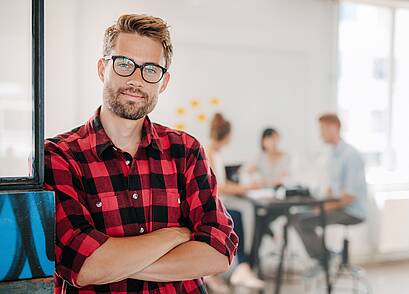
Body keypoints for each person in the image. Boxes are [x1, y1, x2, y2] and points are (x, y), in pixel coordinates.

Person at [44, 14, 238, 294]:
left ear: (164, 81)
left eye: (150, 69)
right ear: (102, 69)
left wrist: (113, 262)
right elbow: (83, 265)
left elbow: (219, 251)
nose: (136, 80)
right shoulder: (59, 156)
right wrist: (176, 235)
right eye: (124, 64)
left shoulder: (186, 151)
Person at [291, 113, 367, 264]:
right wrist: (319, 201)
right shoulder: (332, 154)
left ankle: (323, 260)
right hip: (338, 206)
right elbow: (332, 189)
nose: (320, 134)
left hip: (352, 211)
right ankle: (325, 257)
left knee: (301, 221)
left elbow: (349, 197)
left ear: (334, 128)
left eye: (323, 129)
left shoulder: (351, 155)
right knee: (296, 216)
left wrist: (323, 208)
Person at [205, 113, 266, 290]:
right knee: (239, 216)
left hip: (221, 203)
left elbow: (222, 182)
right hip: (211, 207)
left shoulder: (216, 153)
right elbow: (219, 186)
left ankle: (243, 267)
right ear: (227, 135)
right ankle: (242, 268)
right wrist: (247, 188)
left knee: (244, 212)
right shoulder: (209, 153)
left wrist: (247, 187)